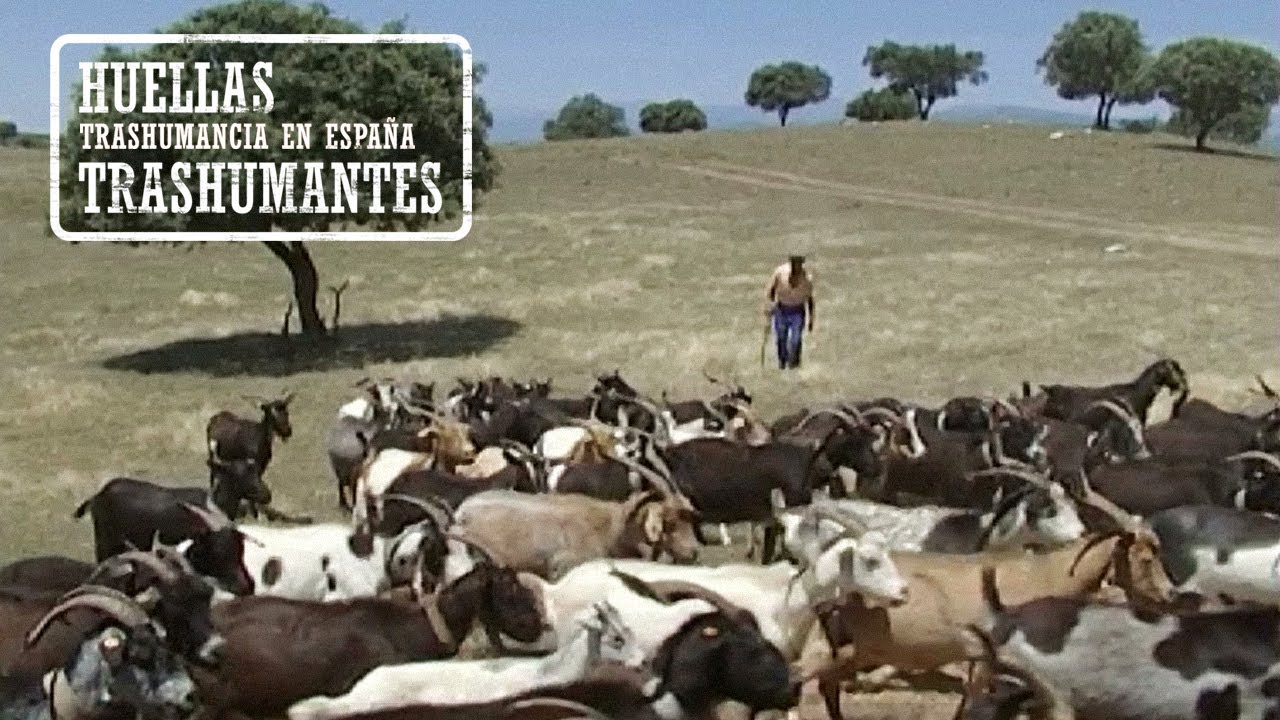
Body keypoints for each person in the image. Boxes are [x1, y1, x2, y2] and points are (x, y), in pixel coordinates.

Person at [764, 255, 815, 370]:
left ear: (802, 264)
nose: (795, 267)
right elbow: (772, 290)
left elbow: (810, 300)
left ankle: (794, 365)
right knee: (781, 338)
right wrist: (769, 306)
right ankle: (782, 363)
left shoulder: (807, 279)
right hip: (781, 310)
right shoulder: (780, 272)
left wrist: (811, 319)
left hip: (798, 311)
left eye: (798, 264)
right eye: (793, 264)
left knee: (795, 340)